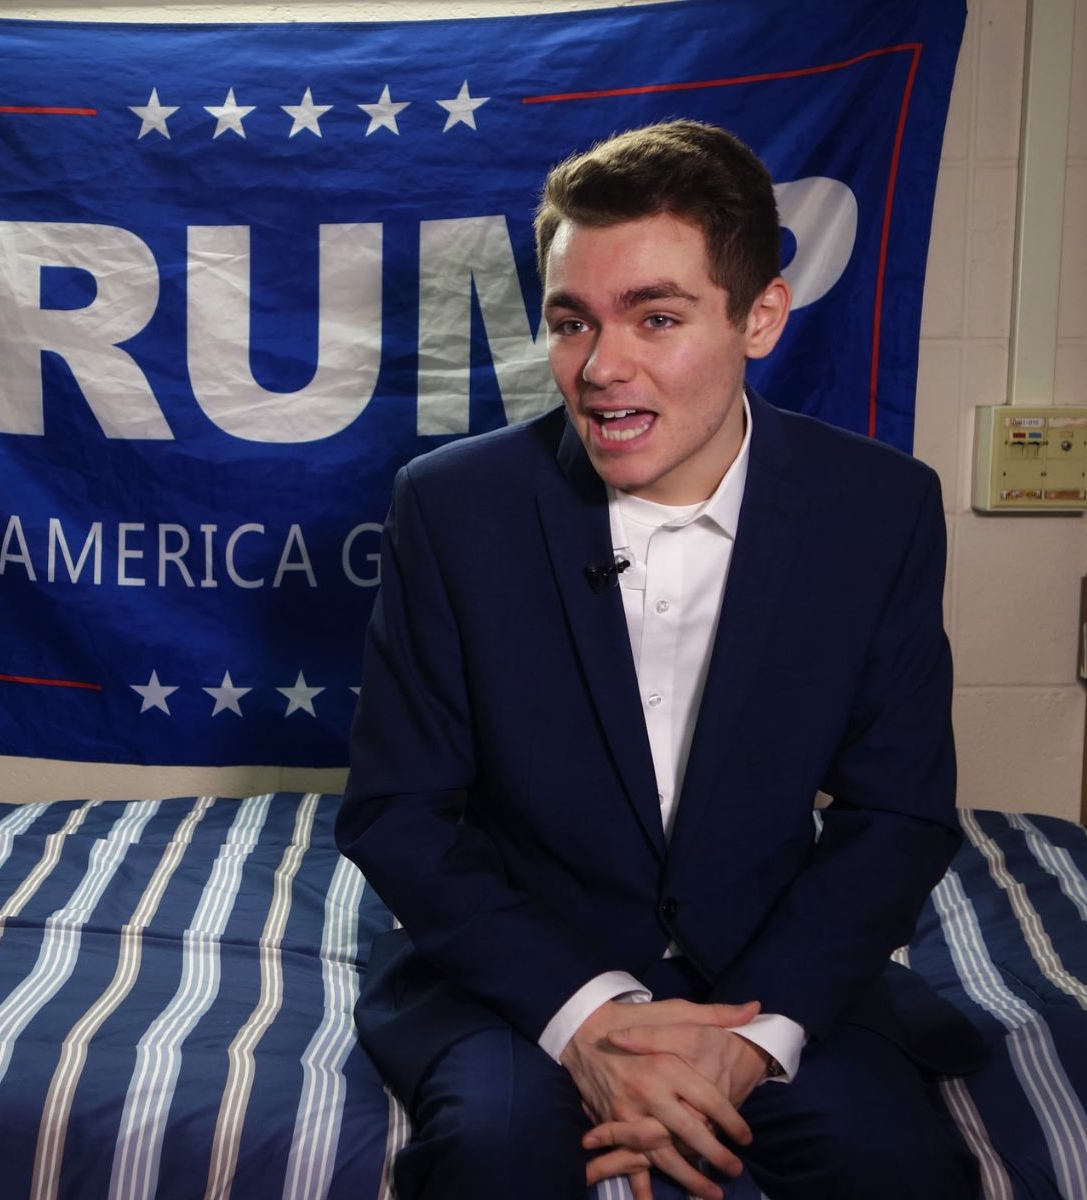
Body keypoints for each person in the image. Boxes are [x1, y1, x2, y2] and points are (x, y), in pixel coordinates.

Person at [336, 119, 982, 1200]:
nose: (601, 369)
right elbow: (396, 813)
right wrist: (592, 1023)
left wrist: (743, 1044)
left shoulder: (881, 509)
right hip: (522, 980)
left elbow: (898, 817)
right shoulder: (449, 508)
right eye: (572, 322)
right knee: (492, 1158)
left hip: (768, 977)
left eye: (658, 318)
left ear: (761, 316)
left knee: (901, 1167)